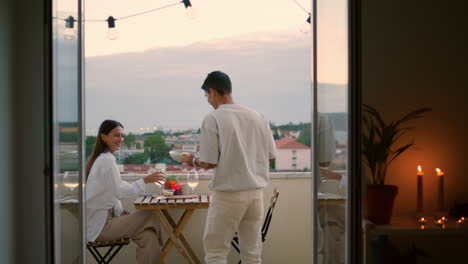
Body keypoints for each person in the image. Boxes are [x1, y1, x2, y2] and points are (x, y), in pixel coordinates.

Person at [184, 71, 277, 264]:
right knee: (252, 254)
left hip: (228, 196)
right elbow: (271, 155)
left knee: (216, 253)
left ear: (212, 92)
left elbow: (209, 162)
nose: (208, 101)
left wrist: (192, 160)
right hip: (255, 195)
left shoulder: (213, 118)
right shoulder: (258, 117)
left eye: (207, 96)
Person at [85, 119, 166, 264]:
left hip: (107, 221)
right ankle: (166, 248)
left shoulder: (103, 159)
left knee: (148, 237)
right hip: (101, 228)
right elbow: (119, 191)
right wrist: (145, 180)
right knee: (151, 214)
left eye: (122, 136)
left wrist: (119, 212)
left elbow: (110, 191)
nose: (121, 139)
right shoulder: (106, 160)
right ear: (103, 136)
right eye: (116, 135)